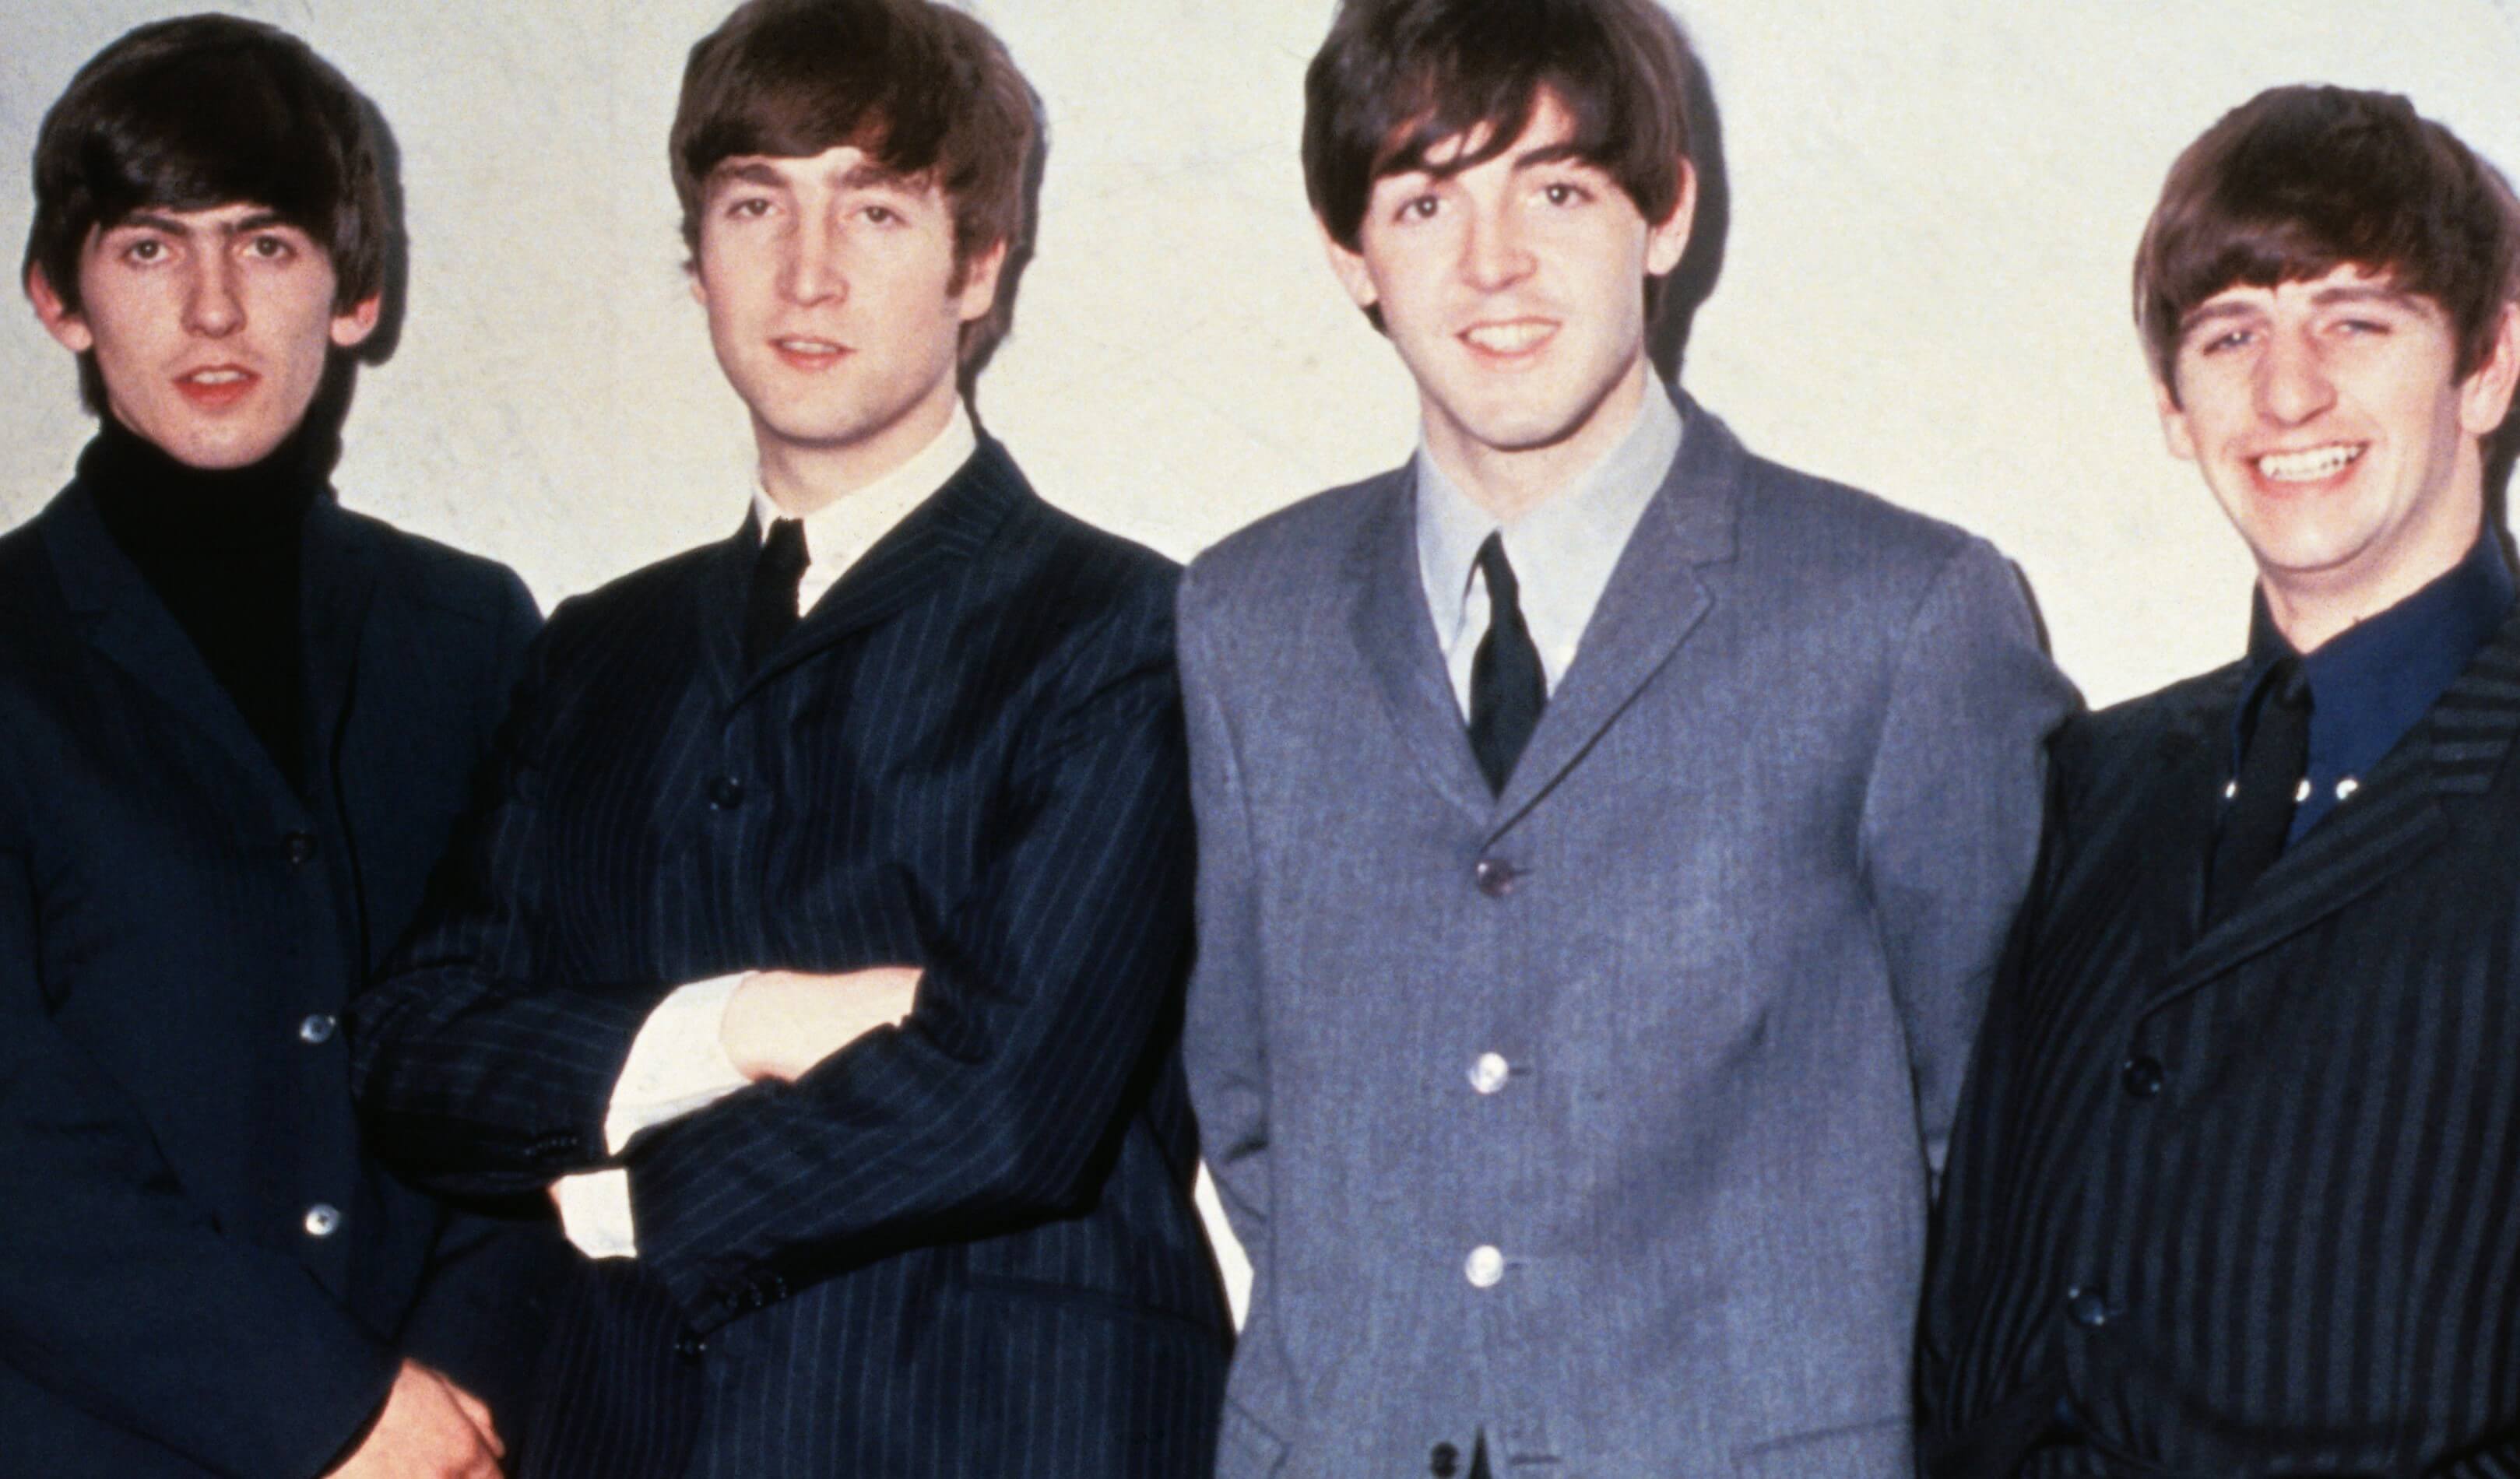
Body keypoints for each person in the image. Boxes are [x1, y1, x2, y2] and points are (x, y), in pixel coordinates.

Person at [1174, 0, 2073, 1474]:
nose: (1494, 264)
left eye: (1557, 191)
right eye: (1425, 203)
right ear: (1349, 254)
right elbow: (1246, 1102)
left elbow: (1998, 1130)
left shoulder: (1902, 614)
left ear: (1665, 214)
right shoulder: (1242, 618)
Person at [346, 2, 1233, 1475]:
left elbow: (1007, 1106)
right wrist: (737, 1025)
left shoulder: (1130, 630)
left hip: (1003, 1437)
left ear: (978, 264)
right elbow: (409, 1057)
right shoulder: (592, 650)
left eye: (875, 209)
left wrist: (614, 1201)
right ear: (697, 259)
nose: (807, 273)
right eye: (756, 203)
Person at [1917, 84, 2520, 1479]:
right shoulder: (2096, 780)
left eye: (2355, 321)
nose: (2286, 391)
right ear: (2172, 406)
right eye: (2229, 333)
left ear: (2488, 366)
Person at [0, 15, 570, 1478]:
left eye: (265, 244)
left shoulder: (470, 631)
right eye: (149, 248)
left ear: (355, 289)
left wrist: (457, 1401)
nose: (212, 311)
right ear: (57, 296)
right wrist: (336, 1414)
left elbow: (523, 1059)